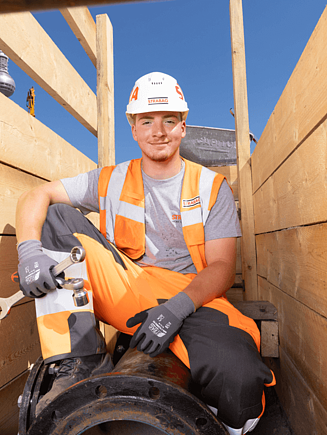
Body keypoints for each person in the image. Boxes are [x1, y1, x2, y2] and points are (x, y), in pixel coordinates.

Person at [16, 72, 275, 435]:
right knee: (56, 216)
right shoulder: (111, 179)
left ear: (183, 127)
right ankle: (81, 361)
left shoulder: (210, 186)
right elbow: (35, 196)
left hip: (195, 297)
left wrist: (177, 309)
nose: (159, 131)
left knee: (241, 380)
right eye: (147, 121)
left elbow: (221, 267)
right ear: (134, 129)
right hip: (129, 288)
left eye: (169, 120)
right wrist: (28, 250)